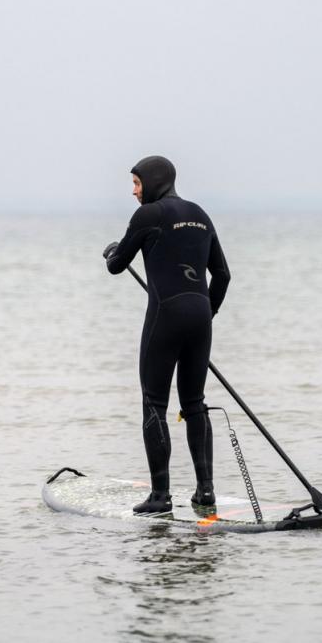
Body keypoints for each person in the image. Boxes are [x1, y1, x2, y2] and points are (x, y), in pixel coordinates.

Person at [103, 156, 230, 514]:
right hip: (201, 317)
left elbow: (116, 266)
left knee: (154, 404)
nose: (133, 191)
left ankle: (160, 497)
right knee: (194, 404)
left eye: (137, 183)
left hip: (166, 315)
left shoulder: (149, 216)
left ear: (154, 182)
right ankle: (206, 492)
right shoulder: (200, 214)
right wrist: (207, 314)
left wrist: (114, 250)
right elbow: (222, 276)